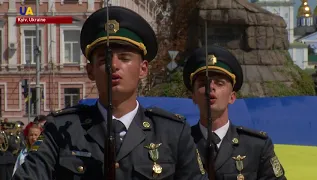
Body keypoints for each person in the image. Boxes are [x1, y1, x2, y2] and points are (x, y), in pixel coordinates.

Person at [12, 6, 207, 180]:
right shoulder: (62, 130)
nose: (113, 65)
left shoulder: (172, 132)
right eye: (104, 59)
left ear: (143, 69)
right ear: (90, 71)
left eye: (124, 58)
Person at [183, 45, 287, 180]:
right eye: (203, 83)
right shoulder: (180, 144)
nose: (210, 88)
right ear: (193, 96)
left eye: (219, 83)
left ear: (232, 97)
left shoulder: (256, 146)